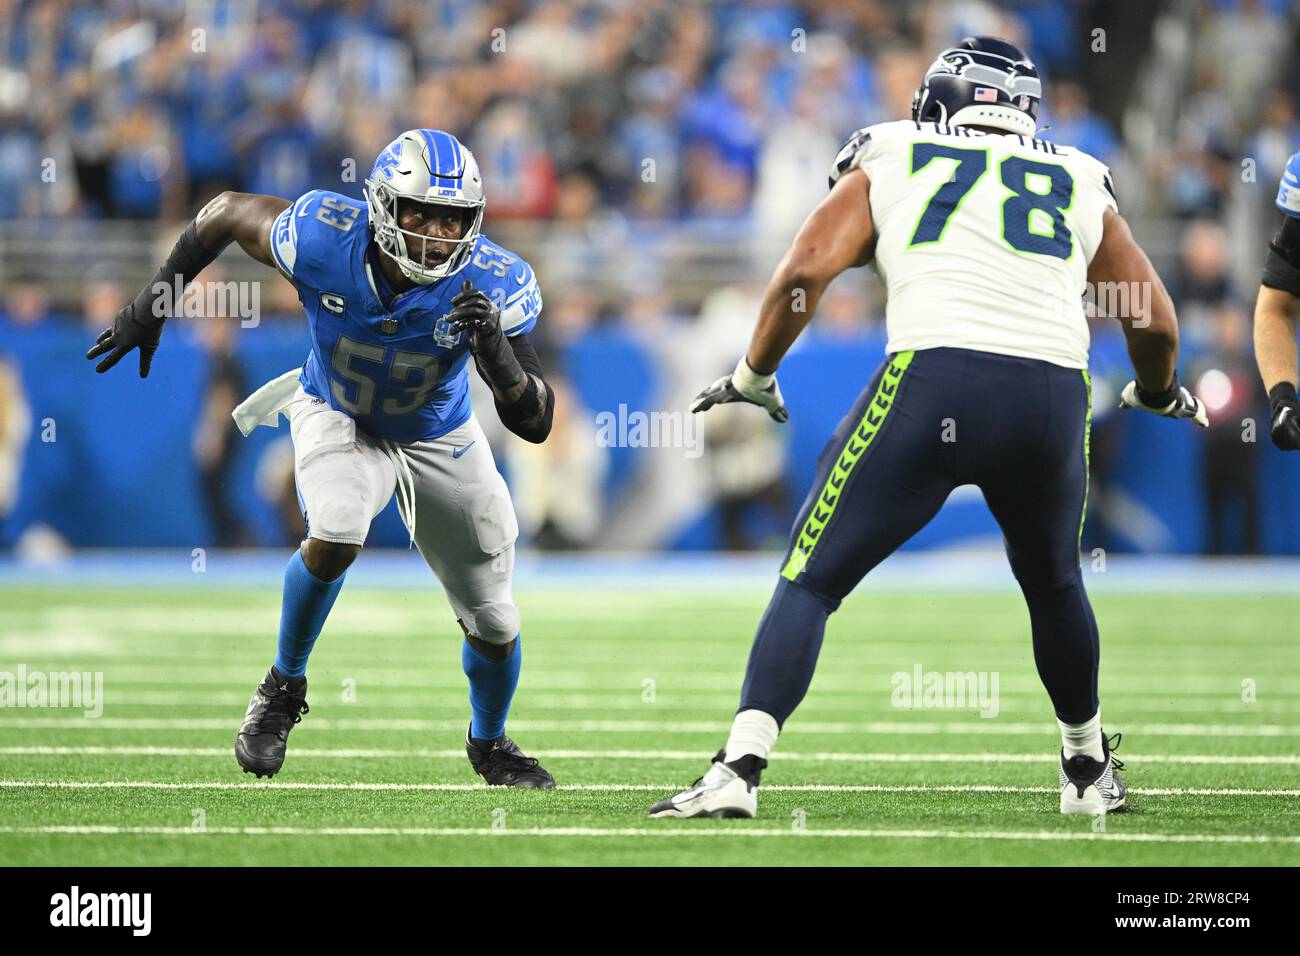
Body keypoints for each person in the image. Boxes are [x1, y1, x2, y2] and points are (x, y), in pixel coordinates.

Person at [651, 37, 1207, 820]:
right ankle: (1085, 772)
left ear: (940, 103)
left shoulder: (894, 147)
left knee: (812, 575)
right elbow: (1150, 313)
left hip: (936, 378)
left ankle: (738, 771)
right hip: (1051, 394)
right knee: (1054, 582)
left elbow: (807, 268)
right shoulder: (1080, 174)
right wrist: (1156, 391)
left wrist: (753, 373)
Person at [87, 129, 556, 788]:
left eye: (451, 219)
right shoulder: (319, 235)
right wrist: (152, 304)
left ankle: (490, 741)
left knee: (496, 619)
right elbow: (222, 212)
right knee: (336, 524)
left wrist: (500, 361)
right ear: (381, 208)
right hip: (338, 410)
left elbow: (535, 422)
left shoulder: (492, 279)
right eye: (418, 211)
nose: (434, 233)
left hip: (439, 433)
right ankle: (281, 687)